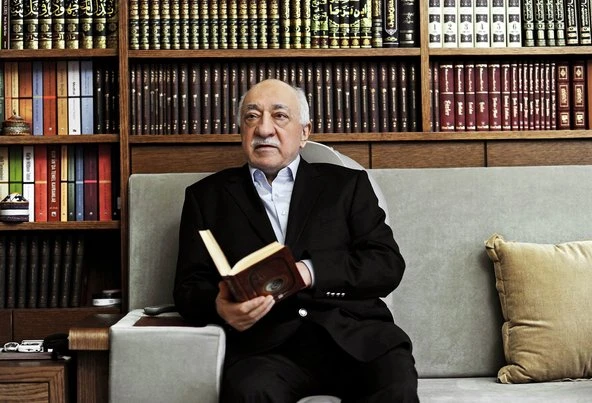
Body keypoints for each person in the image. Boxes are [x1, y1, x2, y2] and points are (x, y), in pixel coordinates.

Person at [174, 78, 419, 402]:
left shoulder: (347, 186)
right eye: (252, 117)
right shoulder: (206, 197)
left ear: (304, 132)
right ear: (241, 131)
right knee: (249, 392)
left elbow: (386, 265)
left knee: (396, 385)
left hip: (355, 337)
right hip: (264, 349)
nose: (264, 129)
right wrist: (219, 306)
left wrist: (309, 271)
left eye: (279, 116)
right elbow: (187, 288)